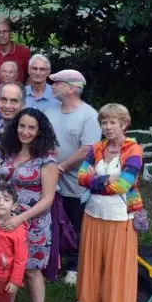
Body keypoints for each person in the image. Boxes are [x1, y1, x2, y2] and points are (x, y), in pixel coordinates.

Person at [70, 103, 143, 302]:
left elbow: (124, 184)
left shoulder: (134, 151)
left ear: (124, 124)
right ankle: (87, 299)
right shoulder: (95, 148)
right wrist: (103, 181)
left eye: (113, 122)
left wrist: (95, 183)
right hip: (93, 211)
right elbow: (80, 177)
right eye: (104, 122)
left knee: (117, 264)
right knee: (90, 258)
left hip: (120, 215)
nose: (108, 127)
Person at [0, 108, 60, 302]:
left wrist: (21, 218)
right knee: (9, 266)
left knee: (32, 271)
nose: (25, 131)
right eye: (21, 126)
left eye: (31, 127)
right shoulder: (11, 152)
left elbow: (48, 198)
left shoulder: (47, 158)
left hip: (35, 224)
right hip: (8, 219)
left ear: (40, 130)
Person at [45, 69, 101, 286]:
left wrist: (60, 167)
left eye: (57, 83)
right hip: (51, 179)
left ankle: (74, 266)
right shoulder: (50, 112)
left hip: (76, 183)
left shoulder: (90, 116)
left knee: (75, 223)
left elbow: (87, 149)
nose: (53, 86)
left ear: (71, 88)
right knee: (53, 222)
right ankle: (55, 262)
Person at [0, 82, 25, 188]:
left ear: (23, 104)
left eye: (14, 101)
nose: (7, 106)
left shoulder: (29, 131)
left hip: (20, 196)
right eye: (3, 100)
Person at [0, 18, 30, 83]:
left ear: (11, 34)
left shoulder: (23, 52)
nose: (2, 35)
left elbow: (31, 74)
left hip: (16, 90)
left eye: (5, 31)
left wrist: (24, 90)